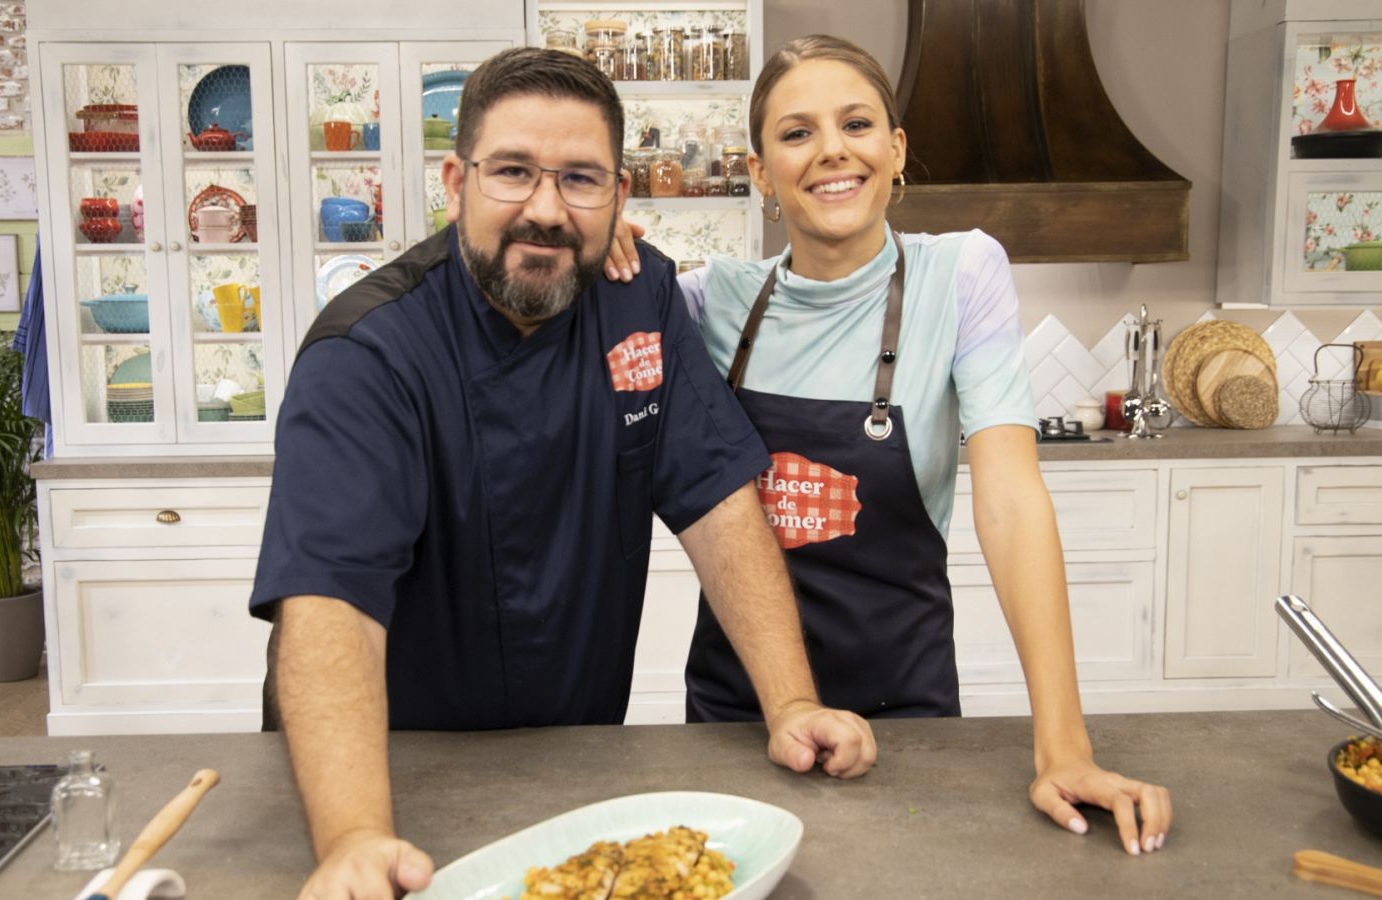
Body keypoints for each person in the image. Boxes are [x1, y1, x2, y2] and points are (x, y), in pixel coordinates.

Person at [248, 47, 876, 899]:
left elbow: (719, 503)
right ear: (455, 180)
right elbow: (330, 603)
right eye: (513, 172)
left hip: (575, 774)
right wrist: (355, 833)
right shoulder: (368, 353)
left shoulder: (635, 299)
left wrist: (793, 705)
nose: (544, 210)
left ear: (620, 196)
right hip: (385, 773)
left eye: (580, 179)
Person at [605, 35, 1173, 856]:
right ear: (760, 173)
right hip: (741, 713)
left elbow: (1011, 501)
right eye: (796, 133)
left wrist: (1064, 749)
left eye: (857, 124)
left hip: (906, 709)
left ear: (896, 149)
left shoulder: (962, 274)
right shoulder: (705, 301)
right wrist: (598, 240)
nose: (832, 149)